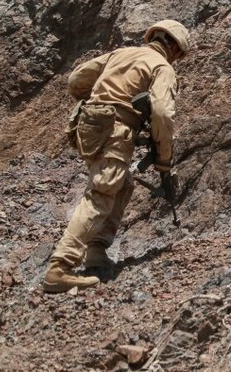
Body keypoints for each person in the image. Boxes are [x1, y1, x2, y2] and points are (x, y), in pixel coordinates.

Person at [44, 20, 188, 293]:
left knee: (123, 184)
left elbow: (76, 80)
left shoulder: (120, 54)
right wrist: (164, 159)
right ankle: (60, 268)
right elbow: (162, 113)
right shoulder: (162, 68)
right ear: (176, 50)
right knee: (102, 192)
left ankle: (96, 250)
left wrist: (103, 99)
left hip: (89, 127)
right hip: (115, 130)